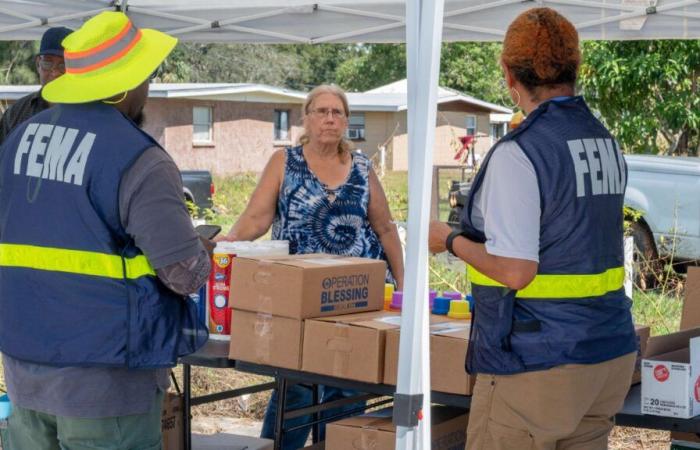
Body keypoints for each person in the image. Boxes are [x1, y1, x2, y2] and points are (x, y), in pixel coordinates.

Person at [0, 11, 211, 449]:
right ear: (124, 86)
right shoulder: (138, 158)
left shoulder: (18, 140)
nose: (148, 86)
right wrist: (201, 249)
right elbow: (184, 273)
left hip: (25, 368)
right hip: (106, 383)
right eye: (145, 76)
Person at [429, 8, 637, 450]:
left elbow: (516, 271)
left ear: (508, 73)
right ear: (576, 67)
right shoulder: (603, 140)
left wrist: (448, 240)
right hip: (607, 351)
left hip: (539, 362)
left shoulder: (520, 153)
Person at [219, 84, 404, 449]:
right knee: (296, 387)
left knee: (346, 385)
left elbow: (384, 227)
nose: (330, 119)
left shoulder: (362, 167)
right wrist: (224, 248)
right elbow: (257, 218)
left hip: (356, 301)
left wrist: (404, 284)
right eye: (322, 111)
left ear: (346, 121)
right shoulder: (285, 162)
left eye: (337, 112)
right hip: (297, 300)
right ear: (306, 117)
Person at [0, 26, 73, 144]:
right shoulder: (16, 113)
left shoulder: (89, 113)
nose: (54, 72)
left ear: (74, 68)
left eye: (63, 65)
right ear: (38, 64)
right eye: (47, 63)